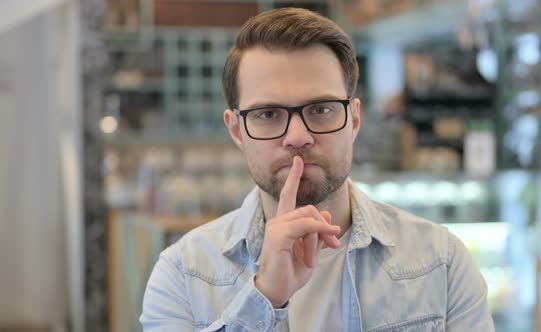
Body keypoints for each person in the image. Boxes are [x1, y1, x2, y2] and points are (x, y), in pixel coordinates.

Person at [141, 7, 494, 332]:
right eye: (268, 114)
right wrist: (264, 297)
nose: (298, 136)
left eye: (321, 109)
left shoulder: (442, 264)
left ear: (354, 119)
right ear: (236, 130)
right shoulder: (183, 274)